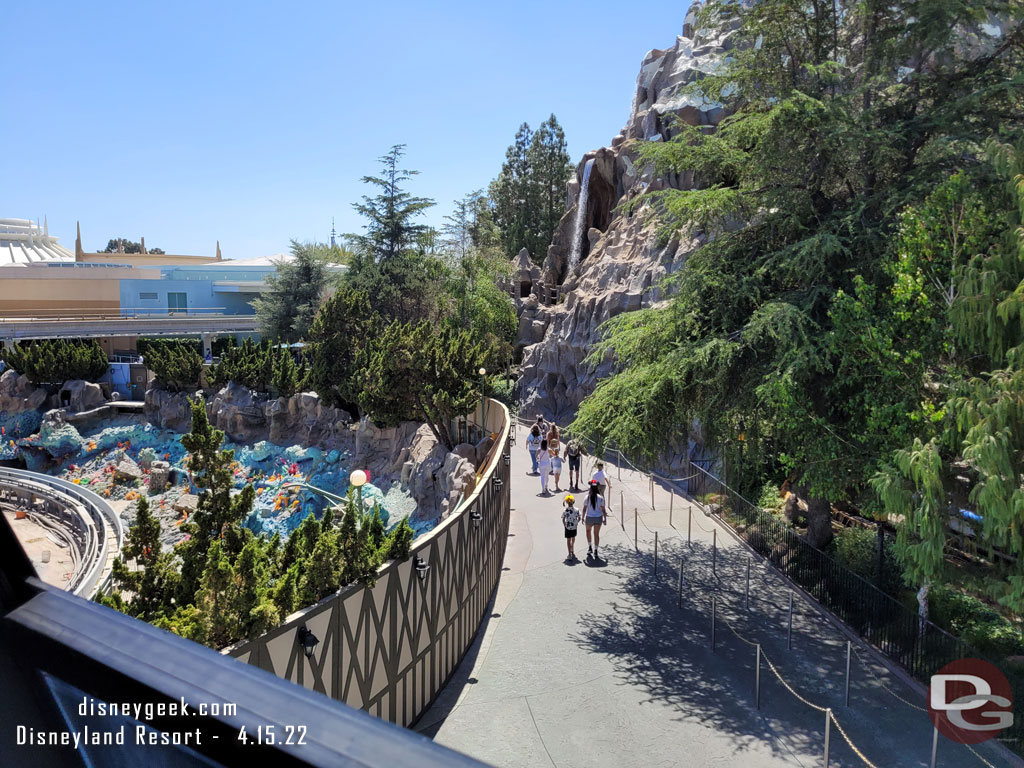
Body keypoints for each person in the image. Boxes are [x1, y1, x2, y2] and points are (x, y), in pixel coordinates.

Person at [582, 482, 607, 558]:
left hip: (589, 517)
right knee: (596, 534)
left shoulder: (587, 497)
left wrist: (583, 517)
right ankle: (596, 550)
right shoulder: (601, 498)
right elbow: (603, 510)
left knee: (588, 531)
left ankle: (590, 547)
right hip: (598, 517)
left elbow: (584, 509)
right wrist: (605, 518)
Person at [562, 494, 580, 561]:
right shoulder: (577, 510)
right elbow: (579, 517)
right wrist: (576, 523)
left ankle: (569, 554)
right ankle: (572, 547)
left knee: (568, 540)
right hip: (574, 526)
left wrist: (564, 525)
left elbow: (563, 519)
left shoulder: (565, 510)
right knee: (573, 537)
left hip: (568, 527)